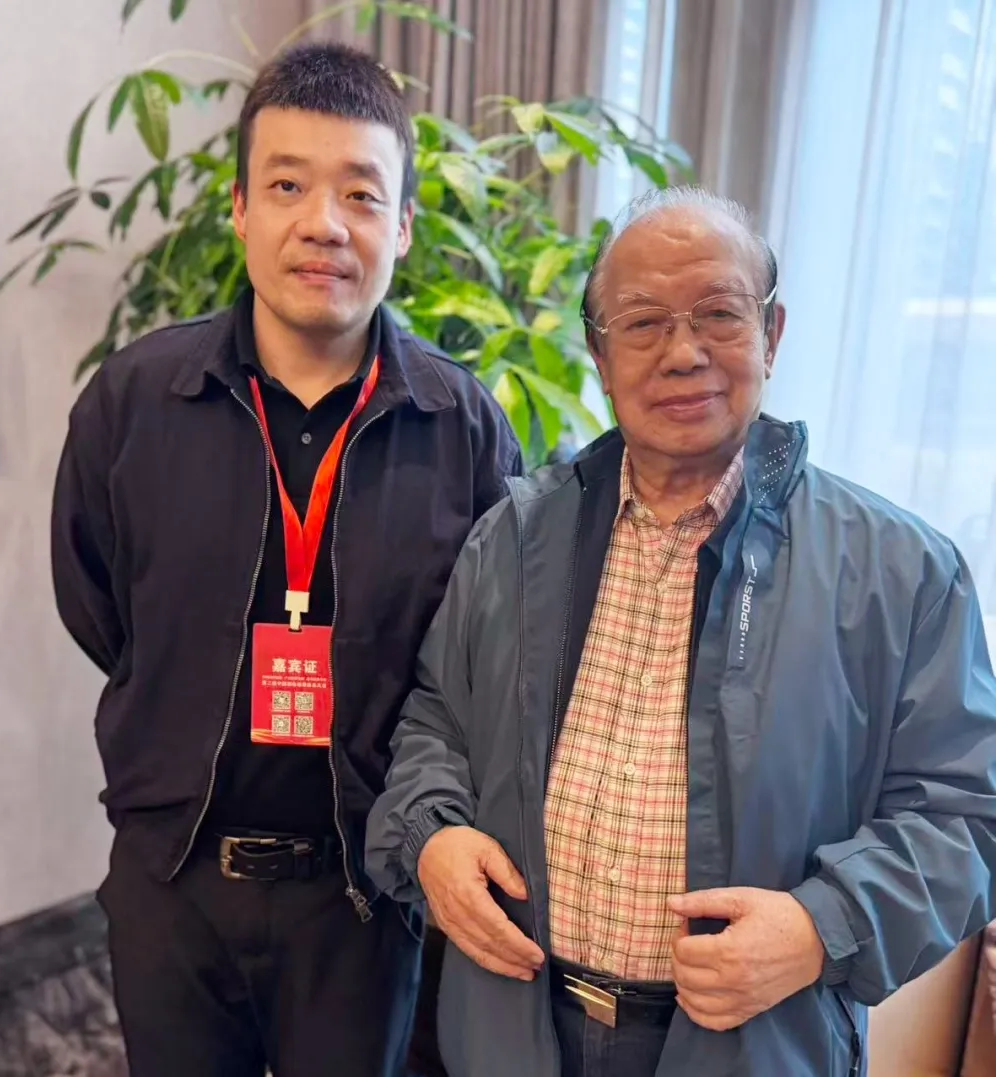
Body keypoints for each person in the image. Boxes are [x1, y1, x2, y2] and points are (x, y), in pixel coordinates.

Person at [365, 186, 996, 1077]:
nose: (684, 351)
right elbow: (435, 719)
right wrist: (431, 833)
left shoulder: (903, 570)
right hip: (514, 1026)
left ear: (772, 334)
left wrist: (818, 926)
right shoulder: (513, 536)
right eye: (643, 322)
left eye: (719, 314)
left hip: (748, 1042)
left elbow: (967, 816)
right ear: (599, 353)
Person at [51, 43, 521, 1077]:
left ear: (403, 225)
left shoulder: (463, 427)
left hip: (365, 893)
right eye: (288, 186)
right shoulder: (133, 402)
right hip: (173, 881)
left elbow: (485, 659)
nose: (324, 224)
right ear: (240, 209)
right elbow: (98, 604)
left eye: (361, 194)